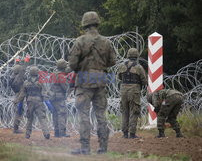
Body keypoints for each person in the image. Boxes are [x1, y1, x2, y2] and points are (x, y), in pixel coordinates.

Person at [69, 11, 116, 154]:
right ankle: (103, 148)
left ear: (85, 24)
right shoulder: (106, 42)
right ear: (97, 23)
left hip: (84, 80)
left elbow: (72, 64)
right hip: (100, 79)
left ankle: (85, 148)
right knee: (101, 114)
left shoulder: (80, 41)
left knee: (83, 114)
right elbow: (112, 61)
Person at [13, 66, 50, 139]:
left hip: (30, 102)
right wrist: (47, 101)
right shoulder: (40, 82)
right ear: (37, 73)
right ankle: (46, 133)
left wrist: (16, 101)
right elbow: (44, 93)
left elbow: (22, 94)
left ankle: (27, 134)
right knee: (42, 118)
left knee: (29, 118)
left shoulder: (26, 83)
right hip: (39, 101)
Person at [118, 48, 147, 139]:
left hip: (123, 90)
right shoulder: (138, 67)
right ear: (137, 56)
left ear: (128, 55)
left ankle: (125, 133)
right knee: (134, 111)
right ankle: (132, 133)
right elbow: (144, 80)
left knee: (124, 111)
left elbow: (119, 77)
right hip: (134, 91)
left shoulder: (122, 66)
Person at [50, 59, 70, 138]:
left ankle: (57, 132)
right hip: (59, 97)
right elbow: (65, 88)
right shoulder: (61, 76)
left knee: (55, 114)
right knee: (62, 114)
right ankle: (62, 133)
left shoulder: (53, 74)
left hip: (52, 97)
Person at [10, 64, 26, 134]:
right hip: (20, 96)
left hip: (17, 94)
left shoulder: (12, 78)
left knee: (19, 111)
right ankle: (16, 128)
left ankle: (16, 128)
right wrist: (25, 62)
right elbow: (23, 71)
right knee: (18, 111)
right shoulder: (18, 78)